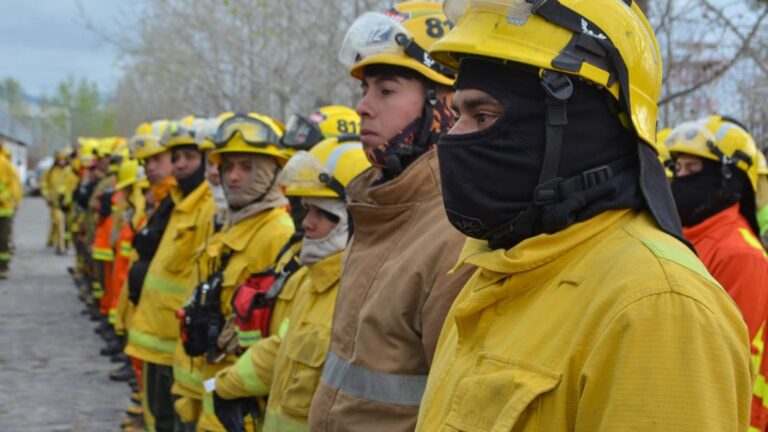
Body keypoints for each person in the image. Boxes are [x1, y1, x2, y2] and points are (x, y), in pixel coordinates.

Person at [414, 1, 752, 430]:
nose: (452, 139)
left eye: (483, 116)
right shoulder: (495, 271)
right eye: (456, 114)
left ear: (576, 127)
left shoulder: (657, 309)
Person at [308, 3, 474, 431]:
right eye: (365, 90)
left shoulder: (456, 231)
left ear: (444, 106)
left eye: (386, 91)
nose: (363, 107)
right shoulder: (378, 209)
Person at [212, 136, 370, 431]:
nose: (306, 223)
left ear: (357, 219)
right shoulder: (307, 281)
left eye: (322, 214)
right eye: (306, 210)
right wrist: (224, 386)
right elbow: (283, 347)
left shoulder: (364, 296)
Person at [193, 112, 295, 431]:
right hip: (213, 391)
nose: (234, 177)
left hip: (242, 403)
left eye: (247, 167)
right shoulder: (233, 225)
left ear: (273, 171)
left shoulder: (276, 232)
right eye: (228, 167)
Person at [667, 117, 768, 429]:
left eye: (693, 170)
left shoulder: (741, 255)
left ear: (728, 180)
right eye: (678, 169)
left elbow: (734, 364)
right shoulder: (684, 237)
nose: (680, 179)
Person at [124, 116, 216, 432]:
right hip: (156, 333)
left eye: (189, 157)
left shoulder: (207, 207)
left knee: (171, 422)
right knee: (158, 419)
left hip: (174, 338)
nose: (179, 166)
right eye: (175, 158)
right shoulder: (177, 201)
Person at [0, 143, 21, 278]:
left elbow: (13, 187)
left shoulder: (5, 164)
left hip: (4, 209)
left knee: (2, 239)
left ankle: (3, 268)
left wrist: (2, 197)